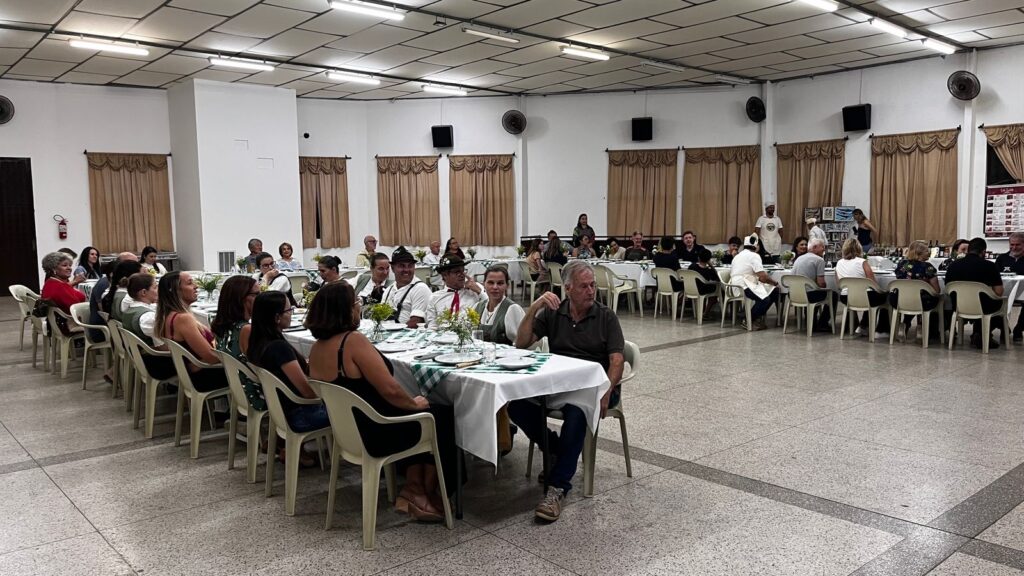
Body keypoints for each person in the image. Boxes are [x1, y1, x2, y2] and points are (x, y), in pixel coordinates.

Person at [306, 281, 460, 521]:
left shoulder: (316, 349)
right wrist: (414, 404)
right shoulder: (352, 341)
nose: (359, 306)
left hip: (349, 432)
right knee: (439, 414)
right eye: (356, 302)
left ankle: (414, 487)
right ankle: (427, 492)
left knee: (419, 412)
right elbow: (390, 389)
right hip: (377, 431)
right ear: (346, 309)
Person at [511, 260, 624, 522]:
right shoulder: (554, 312)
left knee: (577, 412)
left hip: (596, 384)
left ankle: (558, 487)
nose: (591, 291)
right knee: (515, 401)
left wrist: (607, 390)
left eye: (593, 285)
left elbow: (617, 360)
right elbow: (521, 342)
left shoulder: (606, 316)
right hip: (560, 383)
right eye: (584, 286)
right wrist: (535, 307)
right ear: (568, 288)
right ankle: (555, 448)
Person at [244, 291, 322, 466]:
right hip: (298, 414)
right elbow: (307, 392)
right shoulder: (278, 347)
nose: (291, 313)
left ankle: (284, 443)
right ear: (277, 317)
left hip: (279, 411)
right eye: (289, 310)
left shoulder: (257, 343)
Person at [155, 271, 227, 391]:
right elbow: (211, 357)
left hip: (193, 374)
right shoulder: (183, 319)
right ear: (175, 290)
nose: (196, 286)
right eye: (190, 283)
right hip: (204, 376)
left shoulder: (169, 315)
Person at [946, 237, 1007, 349]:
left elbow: (948, 289)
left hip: (959, 306)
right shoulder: (989, 266)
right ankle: (981, 333)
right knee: (999, 303)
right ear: (983, 252)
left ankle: (978, 333)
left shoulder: (953, 266)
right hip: (984, 307)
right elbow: (998, 292)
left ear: (968, 250)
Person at [212, 276, 262, 409]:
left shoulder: (221, 325)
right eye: (257, 294)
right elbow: (263, 369)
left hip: (239, 391)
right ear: (242, 298)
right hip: (257, 395)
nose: (261, 298)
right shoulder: (246, 330)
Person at [121, 272, 176, 380]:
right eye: (155, 287)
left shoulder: (130, 309)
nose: (158, 291)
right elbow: (163, 348)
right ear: (144, 292)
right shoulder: (148, 318)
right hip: (155, 364)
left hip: (141, 359)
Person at [835, 238, 889, 336]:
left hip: (846, 298)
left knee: (869, 296)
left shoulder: (839, 263)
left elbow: (839, 284)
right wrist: (882, 291)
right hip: (865, 298)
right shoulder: (862, 262)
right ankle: (882, 330)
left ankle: (864, 325)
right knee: (886, 297)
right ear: (859, 248)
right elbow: (873, 283)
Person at [891, 240, 940, 342]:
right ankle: (920, 326)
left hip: (899, 300)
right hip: (922, 302)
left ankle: (905, 323)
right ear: (919, 253)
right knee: (926, 298)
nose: (929, 253)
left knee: (911, 299)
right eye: (926, 251)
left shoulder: (902, 265)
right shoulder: (928, 267)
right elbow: (936, 290)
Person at [728, 234, 779, 331]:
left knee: (774, 292)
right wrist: (775, 283)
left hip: (735, 285)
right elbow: (763, 277)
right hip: (743, 285)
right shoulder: (754, 256)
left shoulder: (738, 256)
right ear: (755, 246)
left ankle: (756, 317)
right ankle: (748, 320)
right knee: (765, 299)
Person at [472, 267, 526, 345]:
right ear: (484, 284)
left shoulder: (512, 309)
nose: (495, 287)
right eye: (491, 283)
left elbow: (521, 342)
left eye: (500, 283)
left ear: (507, 285)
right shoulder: (477, 307)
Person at [791, 238, 835, 331]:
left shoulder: (799, 258)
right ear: (815, 247)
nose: (824, 249)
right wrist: (825, 286)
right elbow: (821, 283)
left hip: (793, 294)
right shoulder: (819, 260)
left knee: (815, 291)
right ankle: (823, 323)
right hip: (809, 295)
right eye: (822, 247)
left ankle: (811, 322)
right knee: (833, 295)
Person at [425, 255, 481, 328]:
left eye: (463, 271)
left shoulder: (474, 291)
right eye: (457, 272)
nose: (462, 275)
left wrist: (479, 291)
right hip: (442, 334)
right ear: (445, 275)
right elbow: (432, 326)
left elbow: (491, 308)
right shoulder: (435, 297)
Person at [382, 247, 431, 328]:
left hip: (409, 334)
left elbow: (416, 322)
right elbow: (381, 316)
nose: (406, 270)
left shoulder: (420, 289)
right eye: (402, 266)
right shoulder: (388, 290)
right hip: (387, 332)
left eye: (410, 266)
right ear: (393, 268)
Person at [994, 231, 1024, 343]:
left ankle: (1019, 329)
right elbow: (994, 276)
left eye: (1018, 245)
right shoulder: (1002, 258)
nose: (1014, 247)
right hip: (1003, 292)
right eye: (1012, 244)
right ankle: (1004, 328)